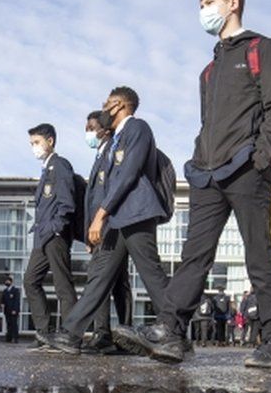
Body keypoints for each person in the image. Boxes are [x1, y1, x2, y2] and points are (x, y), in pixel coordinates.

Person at [113, 0, 271, 369]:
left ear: (233, 3)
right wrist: (197, 162)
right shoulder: (209, 72)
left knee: (258, 254)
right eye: (200, 5)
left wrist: (260, 157)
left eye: (209, 2)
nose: (203, 11)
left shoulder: (262, 48)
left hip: (247, 168)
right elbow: (206, 123)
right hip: (208, 174)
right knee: (194, 255)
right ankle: (172, 333)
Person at [45, 87, 171, 355]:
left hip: (136, 214)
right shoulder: (116, 139)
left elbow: (127, 174)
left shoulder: (137, 128)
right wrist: (103, 219)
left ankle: (175, 332)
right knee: (99, 276)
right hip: (117, 219)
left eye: (107, 103)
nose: (103, 107)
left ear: (121, 105)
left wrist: (99, 216)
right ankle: (71, 335)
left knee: (152, 274)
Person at [23, 123, 78, 350]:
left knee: (63, 285)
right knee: (30, 280)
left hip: (55, 236)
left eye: (36, 142)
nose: (34, 147)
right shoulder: (46, 170)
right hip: (42, 237)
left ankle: (71, 335)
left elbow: (67, 202)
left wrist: (57, 227)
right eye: (31, 144)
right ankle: (44, 333)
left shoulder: (60, 166)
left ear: (50, 141)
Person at [83, 110, 133, 354]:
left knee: (116, 282)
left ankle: (122, 334)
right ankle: (103, 334)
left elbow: (112, 193)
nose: (88, 133)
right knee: (104, 280)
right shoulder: (98, 157)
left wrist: (103, 222)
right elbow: (92, 200)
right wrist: (88, 234)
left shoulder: (112, 154)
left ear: (105, 130)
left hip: (112, 225)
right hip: (99, 231)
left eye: (91, 128)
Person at [2, 277, 21, 343]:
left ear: (11, 282)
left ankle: (16, 338)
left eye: (7, 281)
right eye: (5, 281)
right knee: (9, 324)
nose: (6, 282)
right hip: (7, 311)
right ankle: (9, 338)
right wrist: (2, 305)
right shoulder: (5, 291)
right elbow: (3, 300)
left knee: (14, 324)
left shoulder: (15, 290)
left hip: (13, 311)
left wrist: (15, 310)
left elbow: (16, 301)